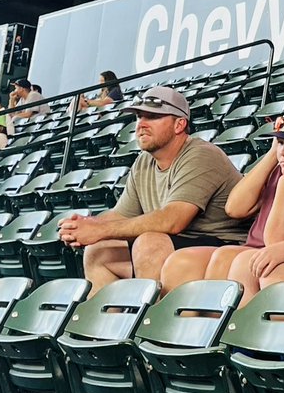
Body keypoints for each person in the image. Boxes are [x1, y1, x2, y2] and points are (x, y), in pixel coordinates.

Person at [59, 86, 248, 294]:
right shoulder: (143, 162)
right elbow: (121, 214)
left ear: (179, 124)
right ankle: (110, 325)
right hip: (179, 245)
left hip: (224, 248)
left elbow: (173, 220)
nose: (141, 125)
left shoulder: (201, 155)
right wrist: (85, 226)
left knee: (149, 243)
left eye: (153, 117)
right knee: (99, 251)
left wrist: (100, 230)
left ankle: (154, 323)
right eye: (139, 116)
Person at [161, 99, 284, 302]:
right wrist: (272, 155)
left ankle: (220, 328)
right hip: (256, 247)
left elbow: (280, 243)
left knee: (227, 257)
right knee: (180, 261)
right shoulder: (278, 165)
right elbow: (234, 208)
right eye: (281, 142)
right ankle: (192, 329)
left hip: (278, 252)